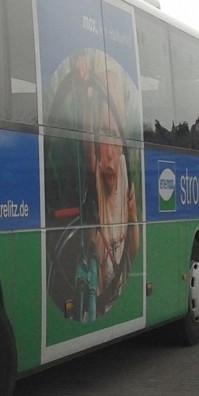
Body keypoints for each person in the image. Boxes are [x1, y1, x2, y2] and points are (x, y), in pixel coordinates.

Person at [89, 95, 139, 315]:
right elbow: (88, 150)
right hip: (102, 300)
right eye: (103, 133)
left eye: (114, 135)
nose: (109, 152)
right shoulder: (98, 171)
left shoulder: (123, 171)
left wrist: (133, 218)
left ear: (121, 146)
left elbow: (133, 250)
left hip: (119, 288)